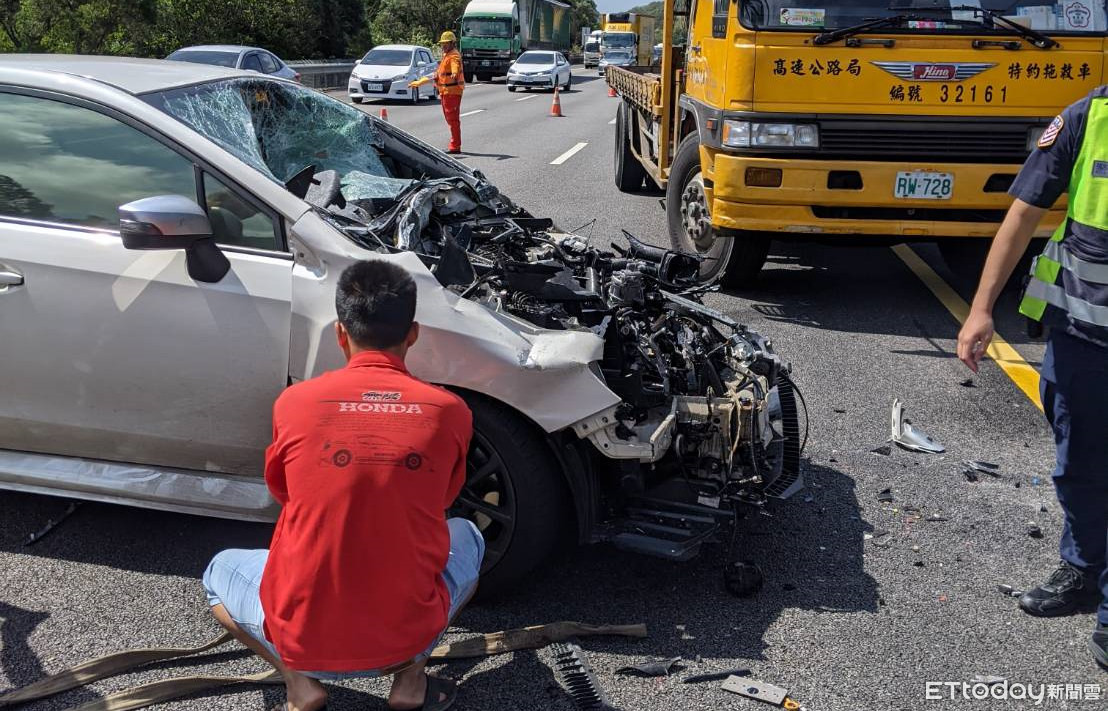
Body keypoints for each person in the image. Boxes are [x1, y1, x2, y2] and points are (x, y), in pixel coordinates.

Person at [202, 259, 482, 711]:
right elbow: (444, 498)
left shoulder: (294, 403)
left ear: (340, 333)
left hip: (301, 637)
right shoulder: (450, 412)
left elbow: (284, 492)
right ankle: (410, 681)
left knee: (219, 570)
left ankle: (299, 682)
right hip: (403, 637)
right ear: (412, 334)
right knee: (467, 534)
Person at [957, 86, 1108, 670]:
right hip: (1082, 338)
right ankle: (1082, 569)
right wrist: (981, 309)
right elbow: (1022, 214)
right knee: (1078, 466)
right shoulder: (1087, 118)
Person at [411, 31, 466, 154]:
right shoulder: (446, 56)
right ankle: (455, 145)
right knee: (450, 119)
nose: (443, 46)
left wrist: (454, 72)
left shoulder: (453, 55)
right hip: (446, 92)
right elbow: (437, 74)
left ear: (452, 43)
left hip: (452, 92)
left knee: (453, 120)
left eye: (446, 43)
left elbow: (455, 64)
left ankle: (455, 146)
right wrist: (421, 82)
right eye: (442, 43)